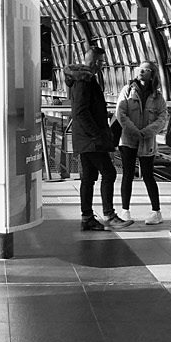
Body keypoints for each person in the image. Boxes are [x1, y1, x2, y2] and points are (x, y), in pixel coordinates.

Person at [65, 46, 132, 231]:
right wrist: (96, 134)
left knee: (88, 177)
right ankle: (109, 215)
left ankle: (87, 217)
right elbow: (81, 112)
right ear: (95, 61)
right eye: (102, 62)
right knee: (109, 173)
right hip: (90, 140)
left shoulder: (82, 80)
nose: (103, 66)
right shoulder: (85, 82)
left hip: (85, 138)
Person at [115, 60, 167, 225]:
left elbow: (162, 118)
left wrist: (145, 132)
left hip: (147, 140)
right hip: (128, 139)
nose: (141, 72)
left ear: (152, 74)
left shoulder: (157, 97)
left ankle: (156, 211)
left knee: (148, 175)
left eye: (145, 70)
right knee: (127, 174)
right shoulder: (127, 90)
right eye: (140, 69)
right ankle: (125, 210)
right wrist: (134, 131)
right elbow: (120, 113)